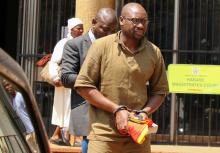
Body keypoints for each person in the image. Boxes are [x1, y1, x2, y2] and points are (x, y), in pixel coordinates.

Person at [74, 2, 169, 153]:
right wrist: (116, 110)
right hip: (104, 136)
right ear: (121, 20)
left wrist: (144, 112)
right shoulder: (101, 46)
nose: (140, 26)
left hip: (138, 138)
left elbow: (160, 91)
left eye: (144, 21)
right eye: (135, 20)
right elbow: (84, 86)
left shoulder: (154, 52)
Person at [61, 8, 117, 153]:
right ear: (93, 23)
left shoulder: (116, 45)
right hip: (87, 107)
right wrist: (93, 81)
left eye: (113, 30)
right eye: (105, 29)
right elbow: (66, 77)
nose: (109, 34)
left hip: (112, 107)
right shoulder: (75, 45)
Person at [49, 18, 84, 145]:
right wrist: (54, 77)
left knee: (73, 107)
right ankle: (69, 136)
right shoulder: (63, 43)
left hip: (76, 80)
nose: (81, 30)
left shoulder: (83, 43)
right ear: (71, 29)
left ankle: (60, 135)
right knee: (64, 108)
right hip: (63, 81)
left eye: (82, 28)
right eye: (78, 28)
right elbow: (54, 61)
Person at [2, 80, 38, 153]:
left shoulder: (20, 96)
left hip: (32, 130)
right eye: (5, 86)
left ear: (13, 84)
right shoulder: (12, 100)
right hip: (26, 132)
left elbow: (31, 111)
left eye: (8, 84)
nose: (7, 87)